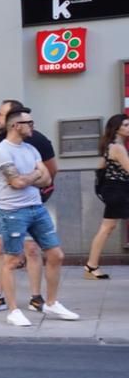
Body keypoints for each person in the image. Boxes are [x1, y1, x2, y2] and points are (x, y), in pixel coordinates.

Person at [0, 105, 78, 327]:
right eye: (28, 123)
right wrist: (34, 175)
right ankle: (13, 310)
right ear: (15, 125)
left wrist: (30, 177)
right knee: (12, 260)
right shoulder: (2, 151)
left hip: (37, 208)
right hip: (13, 211)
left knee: (56, 254)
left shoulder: (31, 150)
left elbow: (47, 179)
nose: (32, 126)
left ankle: (51, 302)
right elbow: (16, 182)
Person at [0, 99, 56, 315]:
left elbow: (50, 172)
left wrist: (34, 184)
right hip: (3, 202)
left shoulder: (37, 141)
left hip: (33, 201)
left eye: (1, 114)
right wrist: (33, 177)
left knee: (32, 249)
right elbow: (14, 180)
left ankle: (36, 297)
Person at [84, 114, 129, 280]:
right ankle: (91, 265)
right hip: (119, 191)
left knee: (106, 228)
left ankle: (91, 265)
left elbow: (101, 168)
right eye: (126, 125)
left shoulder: (109, 145)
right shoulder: (118, 147)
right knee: (106, 228)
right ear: (117, 128)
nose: (128, 127)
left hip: (114, 190)